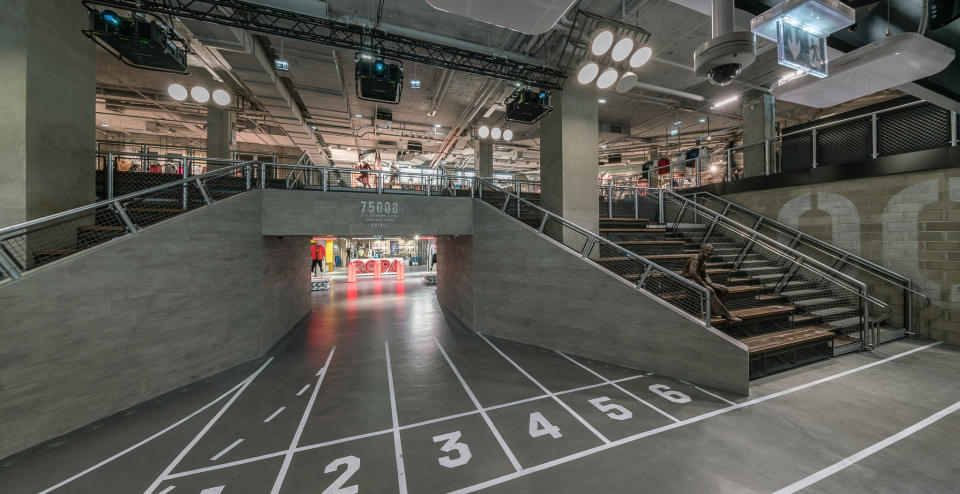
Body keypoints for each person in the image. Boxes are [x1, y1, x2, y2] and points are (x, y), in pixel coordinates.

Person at [681, 244, 742, 324]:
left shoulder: (703, 260)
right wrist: (705, 285)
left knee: (724, 290)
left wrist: (710, 283)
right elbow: (693, 274)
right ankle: (728, 315)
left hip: (697, 280)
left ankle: (712, 311)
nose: (709, 252)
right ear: (702, 250)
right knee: (710, 291)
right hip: (688, 281)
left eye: (711, 251)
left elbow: (704, 275)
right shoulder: (695, 259)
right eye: (707, 250)